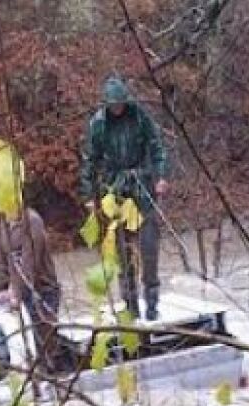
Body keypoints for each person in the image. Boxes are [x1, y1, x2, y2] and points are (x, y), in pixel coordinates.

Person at [79, 74, 170, 321]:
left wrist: (161, 176)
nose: (117, 108)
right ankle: (130, 305)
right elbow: (89, 161)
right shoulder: (98, 124)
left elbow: (157, 147)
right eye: (113, 104)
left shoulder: (140, 117)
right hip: (115, 190)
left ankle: (152, 303)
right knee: (121, 252)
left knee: (149, 247)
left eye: (119, 103)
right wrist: (89, 195)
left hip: (142, 187)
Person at [0, 196, 63, 373]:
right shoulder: (4, 223)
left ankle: (51, 373)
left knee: (43, 339)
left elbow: (30, 261)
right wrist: (2, 288)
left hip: (43, 291)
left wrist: (16, 293)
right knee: (25, 340)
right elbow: (4, 259)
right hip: (20, 291)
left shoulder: (32, 221)